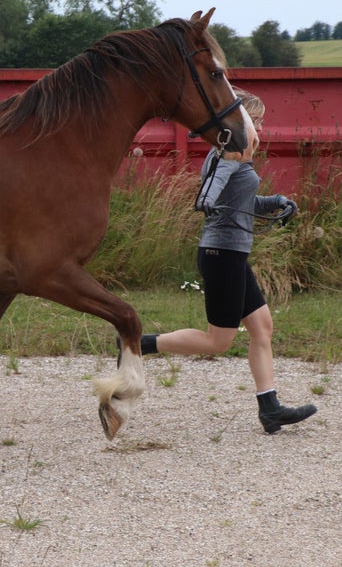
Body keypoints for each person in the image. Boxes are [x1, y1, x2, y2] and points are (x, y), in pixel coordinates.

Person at [136, 87, 317, 434]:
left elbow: (241, 199)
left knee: (262, 327)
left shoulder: (234, 158)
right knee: (218, 341)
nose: (260, 130)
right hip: (221, 255)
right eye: (257, 122)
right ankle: (142, 344)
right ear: (241, 123)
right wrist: (214, 188)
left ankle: (270, 409)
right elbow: (212, 194)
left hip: (233, 254)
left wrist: (277, 201)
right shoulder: (227, 157)